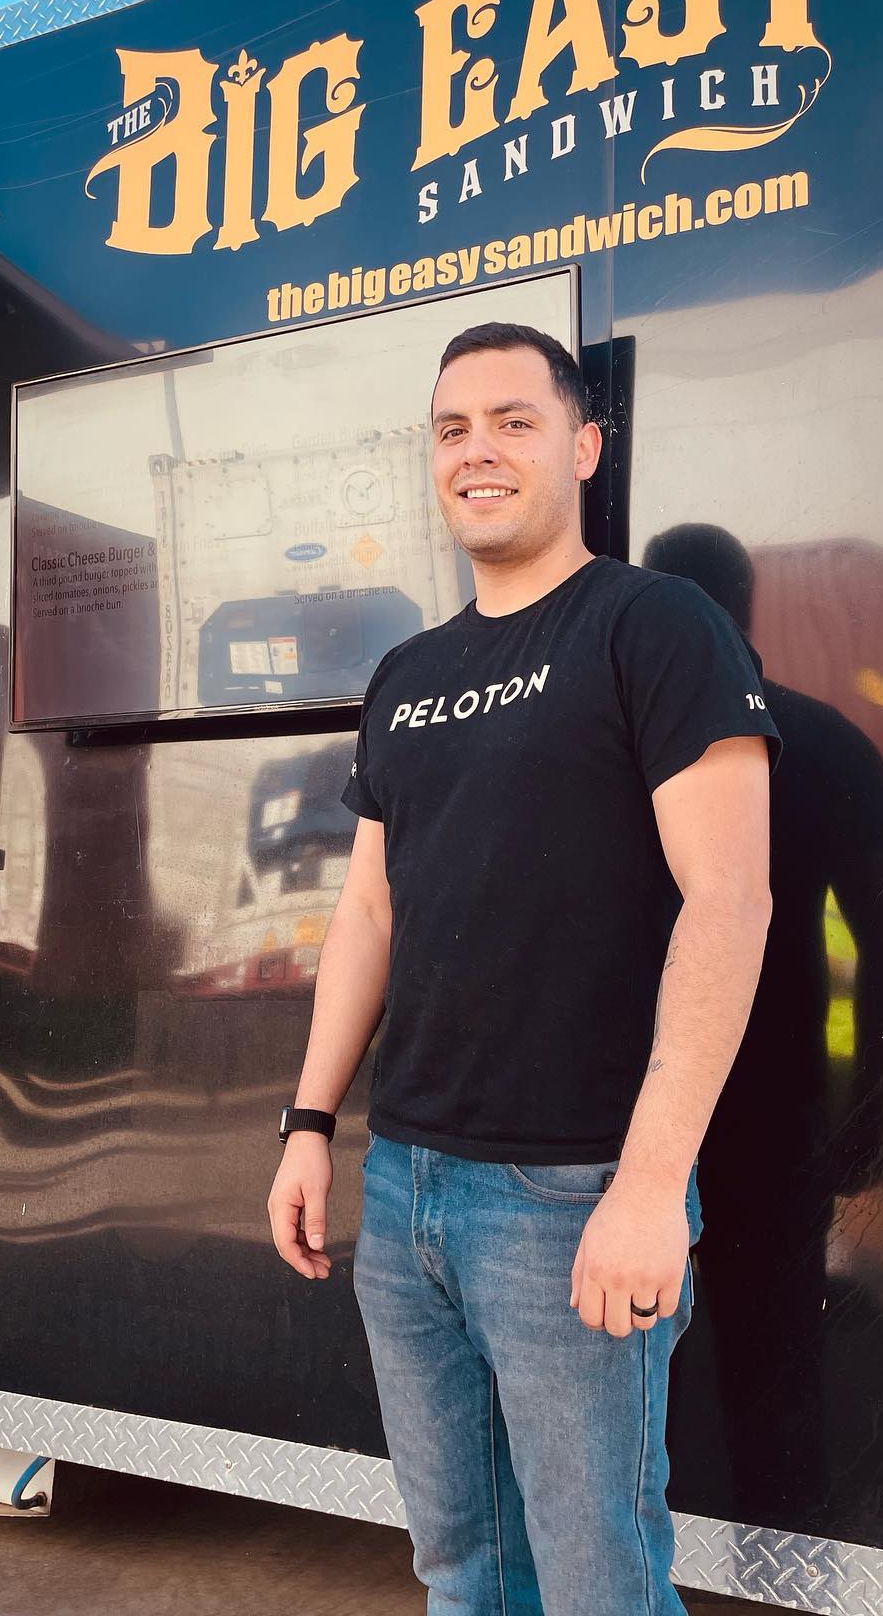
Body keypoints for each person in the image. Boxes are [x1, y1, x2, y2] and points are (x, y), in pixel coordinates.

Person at [266, 324, 779, 1615]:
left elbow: (731, 902)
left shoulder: (655, 627)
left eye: (514, 421)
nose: (477, 451)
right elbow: (369, 913)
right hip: (408, 1191)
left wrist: (651, 1185)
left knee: (599, 1584)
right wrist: (310, 1123)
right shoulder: (406, 675)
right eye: (453, 429)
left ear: (585, 447)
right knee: (462, 1570)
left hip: (571, 1194)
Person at [644, 523, 883, 1533]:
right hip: (777, 1110)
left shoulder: (620, 746)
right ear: (747, 603)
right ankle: (781, 1553)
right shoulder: (826, 740)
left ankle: (647, 1552)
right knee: (774, 1363)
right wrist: (866, 1113)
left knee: (627, 1355)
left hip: (628, 1114)